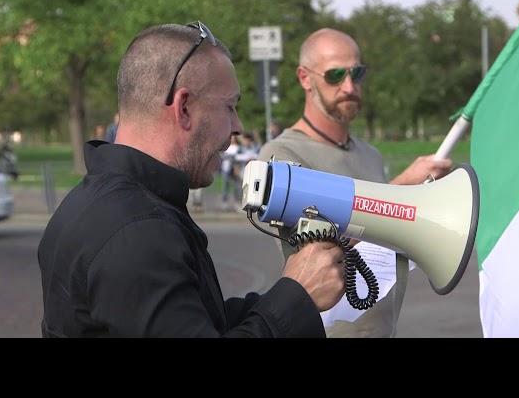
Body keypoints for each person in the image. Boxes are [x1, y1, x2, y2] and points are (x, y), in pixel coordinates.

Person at [37, 23, 345, 338]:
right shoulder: (138, 230)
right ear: (184, 108)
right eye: (229, 106)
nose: (237, 126)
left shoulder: (100, 201)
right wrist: (296, 297)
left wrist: (295, 289)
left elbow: (195, 320)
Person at [258, 28, 452, 338]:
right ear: (305, 78)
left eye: (356, 73)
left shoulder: (370, 155)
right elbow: (322, 251)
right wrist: (400, 190)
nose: (349, 86)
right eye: (335, 75)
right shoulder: (282, 155)